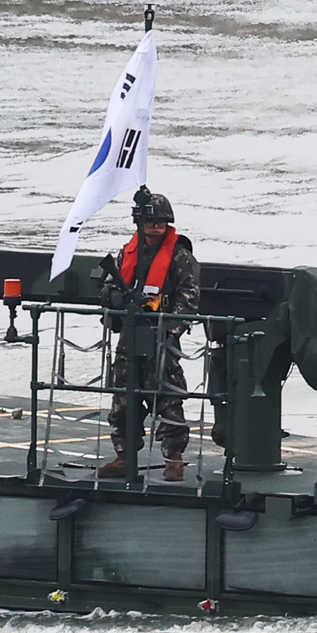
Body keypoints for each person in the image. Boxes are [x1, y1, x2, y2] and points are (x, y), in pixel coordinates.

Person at [99, 187, 201, 482]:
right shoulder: (127, 253)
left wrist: (172, 331)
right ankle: (124, 456)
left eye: (161, 222)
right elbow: (107, 288)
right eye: (150, 221)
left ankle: (174, 459)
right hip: (130, 335)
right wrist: (117, 299)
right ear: (140, 223)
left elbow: (189, 300)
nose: (155, 226)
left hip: (161, 336)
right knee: (123, 399)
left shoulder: (180, 257)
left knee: (168, 399)